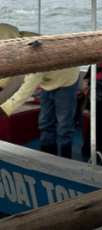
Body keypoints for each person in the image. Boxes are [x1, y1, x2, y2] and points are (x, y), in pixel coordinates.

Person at [0, 23, 80, 159]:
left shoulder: (32, 48)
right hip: (47, 81)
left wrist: (5, 109)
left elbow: (29, 86)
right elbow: (8, 70)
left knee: (64, 124)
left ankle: (66, 159)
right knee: (45, 121)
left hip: (66, 79)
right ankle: (48, 157)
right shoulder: (14, 42)